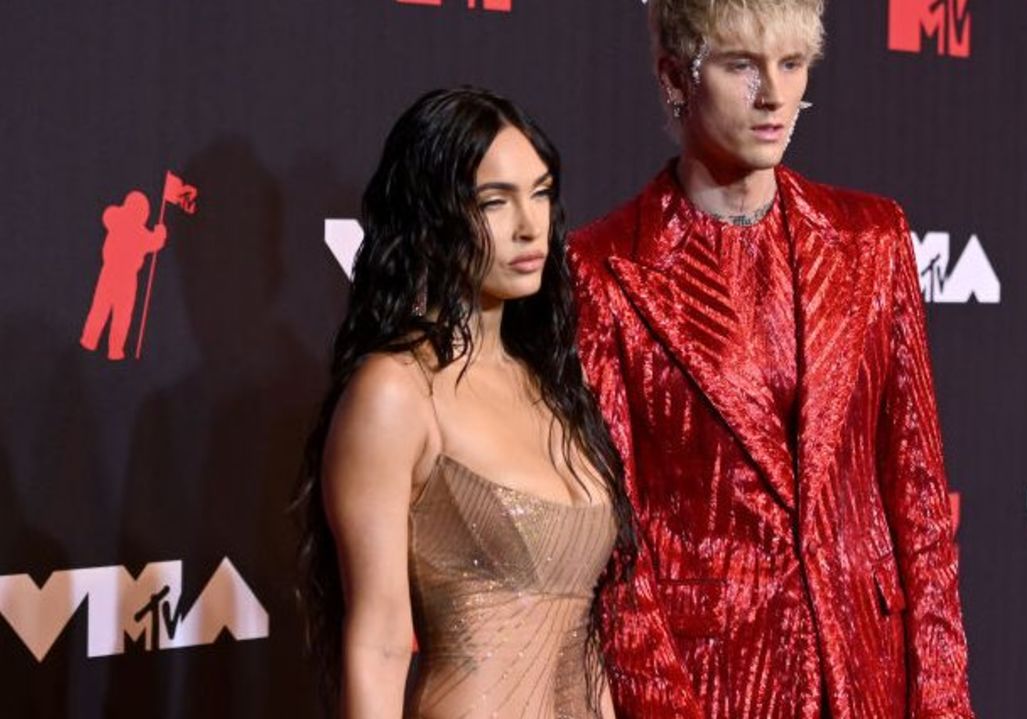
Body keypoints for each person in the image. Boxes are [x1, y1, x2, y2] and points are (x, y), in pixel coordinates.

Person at [568, 2, 974, 717]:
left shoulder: (873, 241)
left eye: (791, 64)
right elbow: (617, 555)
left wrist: (942, 700)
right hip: (716, 684)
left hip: (869, 674)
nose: (774, 96)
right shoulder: (605, 270)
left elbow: (918, 495)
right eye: (740, 66)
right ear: (675, 77)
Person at [295, 87, 632, 719]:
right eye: (494, 202)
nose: (531, 225)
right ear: (432, 216)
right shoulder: (395, 392)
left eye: (541, 192)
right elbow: (380, 644)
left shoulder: (553, 386)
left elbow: (582, 637)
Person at [79, 190, 167, 360]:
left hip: (115, 274)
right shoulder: (133, 229)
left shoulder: (119, 221)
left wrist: (159, 235)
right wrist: (160, 232)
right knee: (119, 314)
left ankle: (93, 342)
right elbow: (154, 242)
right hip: (121, 276)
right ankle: (111, 349)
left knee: (106, 310)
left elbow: (108, 214)